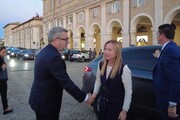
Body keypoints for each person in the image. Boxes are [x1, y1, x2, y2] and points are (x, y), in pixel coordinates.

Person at [29, 27, 92, 120]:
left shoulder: (45, 51)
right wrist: (85, 98)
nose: (68, 42)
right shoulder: (53, 57)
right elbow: (66, 82)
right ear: (56, 40)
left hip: (40, 99)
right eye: (66, 39)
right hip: (46, 103)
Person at [90, 40, 132, 120]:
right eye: (105, 49)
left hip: (116, 108)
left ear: (116, 52)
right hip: (103, 106)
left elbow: (128, 92)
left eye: (109, 50)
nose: (106, 52)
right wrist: (94, 95)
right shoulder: (101, 64)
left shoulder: (124, 69)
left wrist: (124, 111)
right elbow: (98, 81)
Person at [153, 23, 180, 120]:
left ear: (162, 36)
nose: (156, 36)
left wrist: (172, 103)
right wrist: (159, 57)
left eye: (157, 34)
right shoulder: (171, 48)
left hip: (168, 99)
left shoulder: (169, 51)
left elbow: (175, 79)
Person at [0, 47, 13, 115]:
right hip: (1, 81)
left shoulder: (2, 58)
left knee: (4, 95)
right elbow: (3, 67)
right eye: (3, 52)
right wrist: (3, 66)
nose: (4, 53)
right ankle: (6, 109)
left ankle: (6, 108)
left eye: (5, 52)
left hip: (2, 80)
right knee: (3, 95)